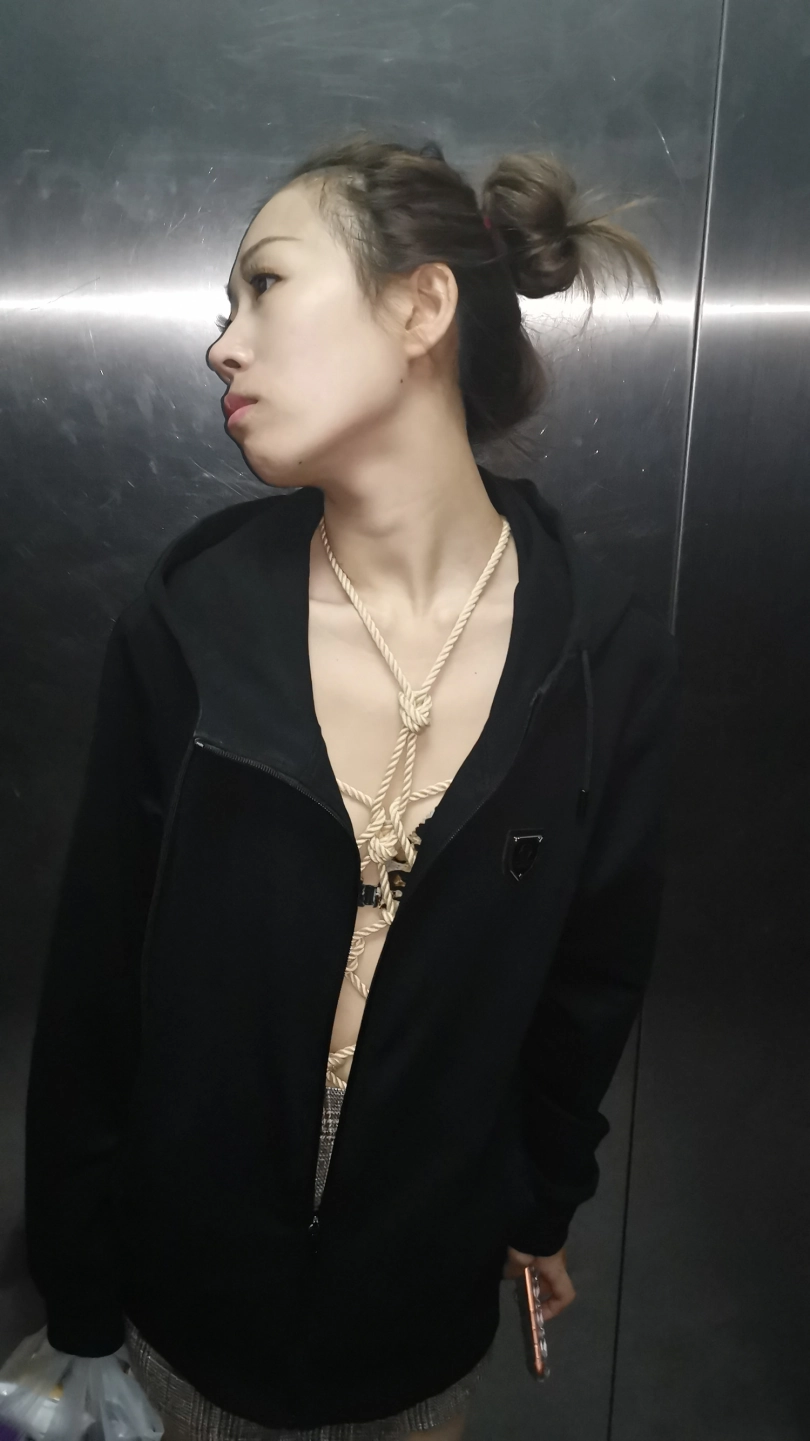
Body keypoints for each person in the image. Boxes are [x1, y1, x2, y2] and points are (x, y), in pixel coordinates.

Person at [24, 130, 681, 1440]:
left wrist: (540, 1205)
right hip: (179, 1313)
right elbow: (94, 984)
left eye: (265, 284)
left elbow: (592, 979)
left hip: (418, 1324)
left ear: (421, 306)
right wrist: (80, 1298)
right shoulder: (194, 614)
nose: (223, 344)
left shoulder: (598, 650)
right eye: (226, 304)